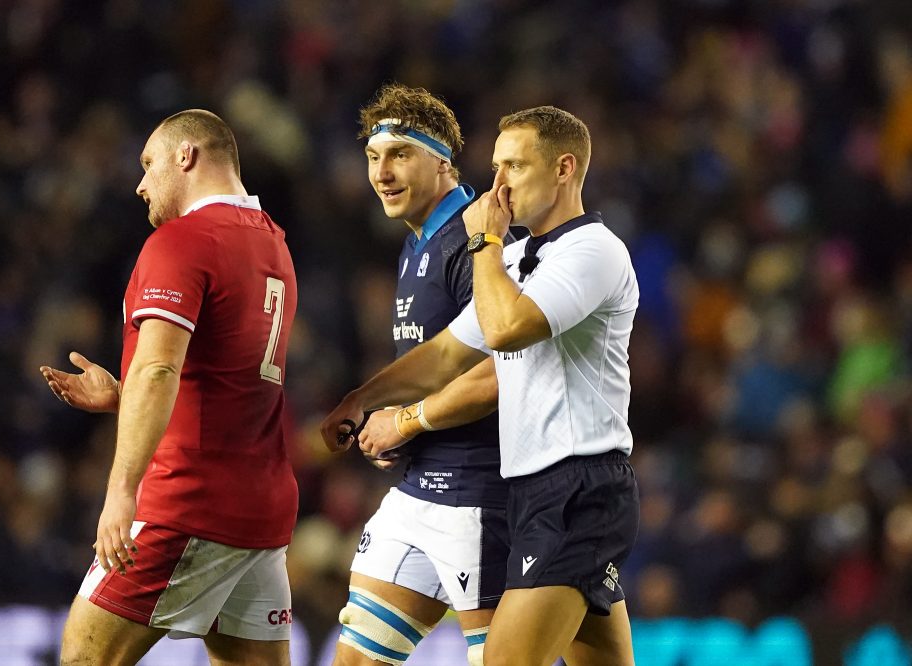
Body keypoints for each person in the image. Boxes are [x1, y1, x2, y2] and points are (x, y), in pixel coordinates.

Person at [322, 105, 639, 666]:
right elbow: (446, 352)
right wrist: (363, 398)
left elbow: (505, 331)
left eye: (514, 167)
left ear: (565, 169)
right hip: (533, 490)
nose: (498, 186)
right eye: (495, 167)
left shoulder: (593, 250)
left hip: (578, 490)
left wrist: (484, 244)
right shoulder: (518, 258)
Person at [40, 109, 298, 666]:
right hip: (262, 509)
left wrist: (120, 493)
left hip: (187, 504)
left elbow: (159, 371)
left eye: (148, 163)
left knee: (85, 659)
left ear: (187, 157)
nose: (140, 183)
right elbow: (224, 376)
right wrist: (124, 395)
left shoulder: (182, 241)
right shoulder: (273, 243)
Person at [328, 83, 510, 666]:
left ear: (443, 161)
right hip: (418, 491)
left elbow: (500, 375)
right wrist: (374, 412)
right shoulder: (417, 243)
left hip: (482, 497)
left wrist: (404, 422)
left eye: (400, 154)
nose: (382, 172)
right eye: (373, 158)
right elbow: (436, 365)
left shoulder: (480, 241)